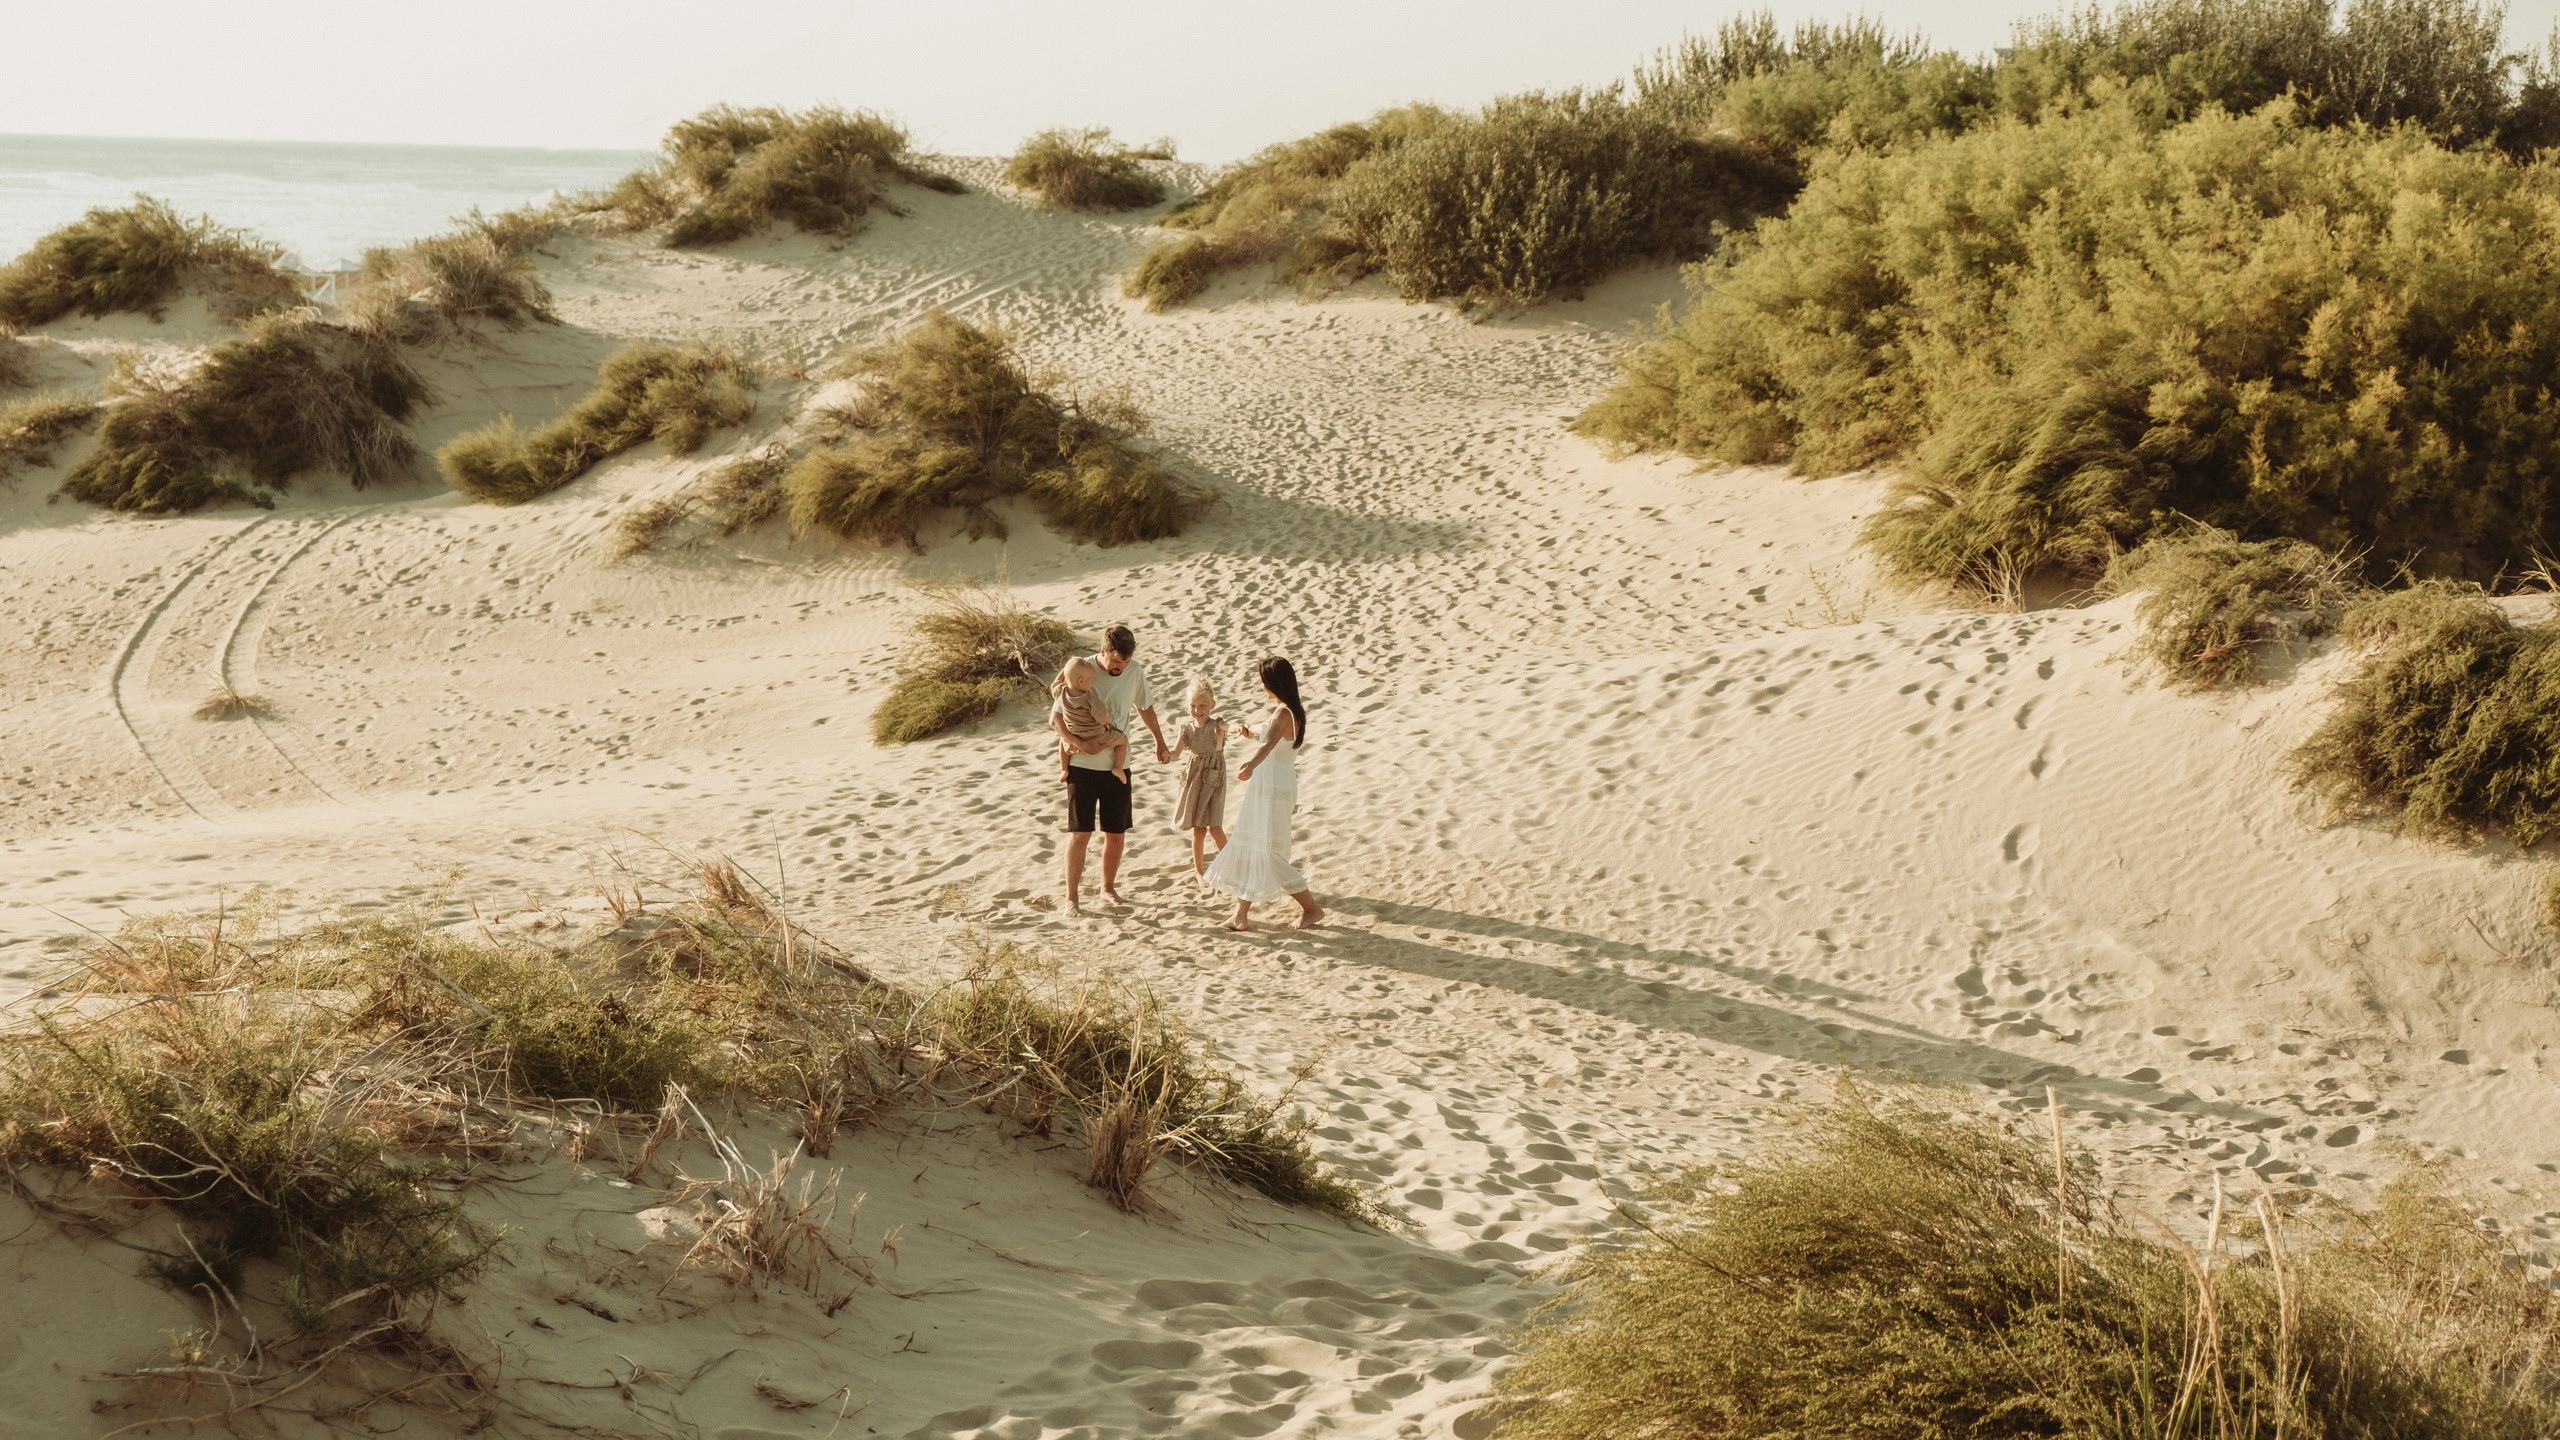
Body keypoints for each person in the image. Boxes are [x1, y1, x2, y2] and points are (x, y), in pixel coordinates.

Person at [1051, 625, 1168, 917]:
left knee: (1116, 833)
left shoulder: (1135, 671)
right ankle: (1072, 899)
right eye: (1116, 661)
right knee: (1081, 833)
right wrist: (1078, 744)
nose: (1121, 667)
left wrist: (1159, 740)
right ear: (1103, 652)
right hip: (1082, 765)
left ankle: (1108, 889)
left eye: (1125, 662)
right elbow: (1055, 719)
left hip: (1119, 765)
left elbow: (1145, 707)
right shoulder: (1079, 670)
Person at [1203, 656, 1323, 931]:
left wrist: (1251, 764)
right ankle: (1240, 915)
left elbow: (1268, 743)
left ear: (1274, 683)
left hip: (1271, 784)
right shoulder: (1287, 711)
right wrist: (1247, 731)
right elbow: (1265, 732)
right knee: (1252, 843)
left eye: (1263, 683)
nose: (1261, 688)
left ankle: (1311, 908)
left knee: (1267, 851)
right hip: (1273, 783)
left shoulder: (1284, 713)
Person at [1170, 677, 1250, 881]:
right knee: (1198, 828)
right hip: (1193, 779)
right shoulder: (1185, 729)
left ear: (1212, 705)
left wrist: (1238, 727)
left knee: (1215, 826)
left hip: (1213, 779)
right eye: (1193, 706)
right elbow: (1176, 753)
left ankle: (1232, 866)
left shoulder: (1217, 725)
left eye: (1202, 706)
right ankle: (1199, 870)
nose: (1197, 710)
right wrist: (1165, 755)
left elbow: (1229, 727)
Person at [1050, 656, 1127, 782]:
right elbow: (1102, 718)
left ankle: (1064, 769)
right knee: (1123, 740)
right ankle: (1118, 768)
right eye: (1091, 680)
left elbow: (1055, 682)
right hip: (1095, 737)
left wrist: (1066, 671)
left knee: (1063, 739)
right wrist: (1106, 722)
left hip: (1074, 734)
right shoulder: (1090, 701)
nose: (1093, 683)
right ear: (1081, 681)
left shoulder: (1061, 692)